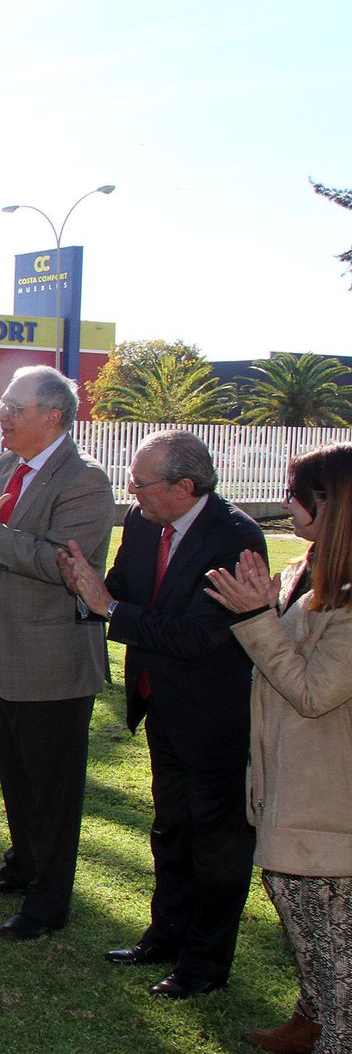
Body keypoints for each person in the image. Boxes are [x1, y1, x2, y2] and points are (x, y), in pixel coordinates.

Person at [60, 429, 268, 999]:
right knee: (171, 830)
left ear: (185, 486)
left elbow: (198, 637)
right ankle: (165, 937)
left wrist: (108, 606)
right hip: (163, 706)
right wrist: (84, 584)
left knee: (218, 844)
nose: (132, 492)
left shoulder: (235, 536)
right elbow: (123, 590)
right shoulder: (144, 519)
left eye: (141, 482)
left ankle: (204, 965)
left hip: (216, 716)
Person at [0, 365, 114, 941]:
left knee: (52, 787)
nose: (1, 416)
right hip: (0, 647)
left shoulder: (85, 480)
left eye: (14, 407)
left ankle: (48, 903)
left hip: (52, 659)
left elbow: (63, 563)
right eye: (2, 405)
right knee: (16, 772)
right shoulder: (9, 464)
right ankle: (23, 866)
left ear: (53, 416)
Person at [206, 443, 352, 1053]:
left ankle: (332, 1034)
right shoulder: (309, 572)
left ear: (329, 503)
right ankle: (309, 1021)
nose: (286, 505)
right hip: (288, 789)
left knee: (336, 959)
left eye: (295, 494)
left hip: (327, 811)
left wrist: (255, 619)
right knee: (313, 942)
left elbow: (314, 693)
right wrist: (265, 608)